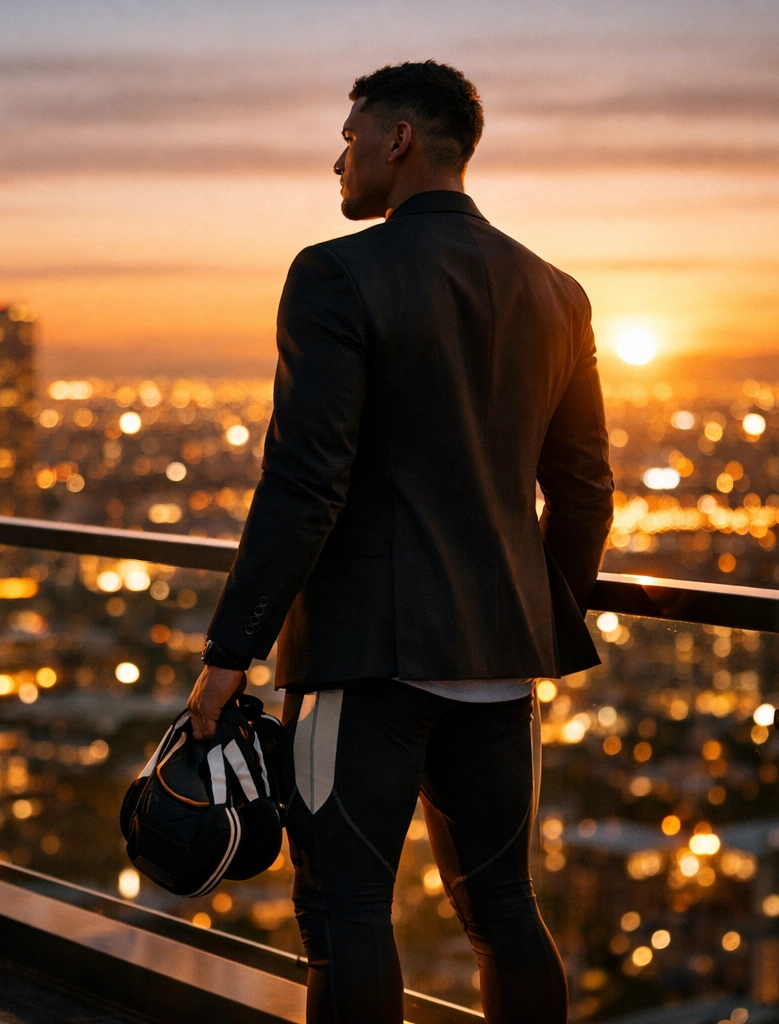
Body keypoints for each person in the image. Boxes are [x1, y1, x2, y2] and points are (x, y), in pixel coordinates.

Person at [186, 61, 614, 1024]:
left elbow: (307, 482)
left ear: (400, 140)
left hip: (369, 663)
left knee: (345, 916)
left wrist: (231, 652)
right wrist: (537, 618)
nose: (337, 157)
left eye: (349, 136)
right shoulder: (557, 291)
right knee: (505, 911)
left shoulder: (336, 272)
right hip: (502, 665)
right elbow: (584, 491)